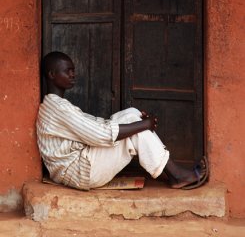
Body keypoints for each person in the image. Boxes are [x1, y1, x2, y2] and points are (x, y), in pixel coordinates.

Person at [36, 51, 209, 191]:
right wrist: (144, 125)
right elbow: (98, 135)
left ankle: (170, 171)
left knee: (132, 114)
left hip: (78, 163)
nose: (73, 74)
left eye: (73, 70)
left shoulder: (55, 105)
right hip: (80, 172)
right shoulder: (58, 108)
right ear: (52, 75)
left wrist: (136, 122)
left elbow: (95, 125)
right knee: (136, 127)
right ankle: (177, 174)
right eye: (68, 71)